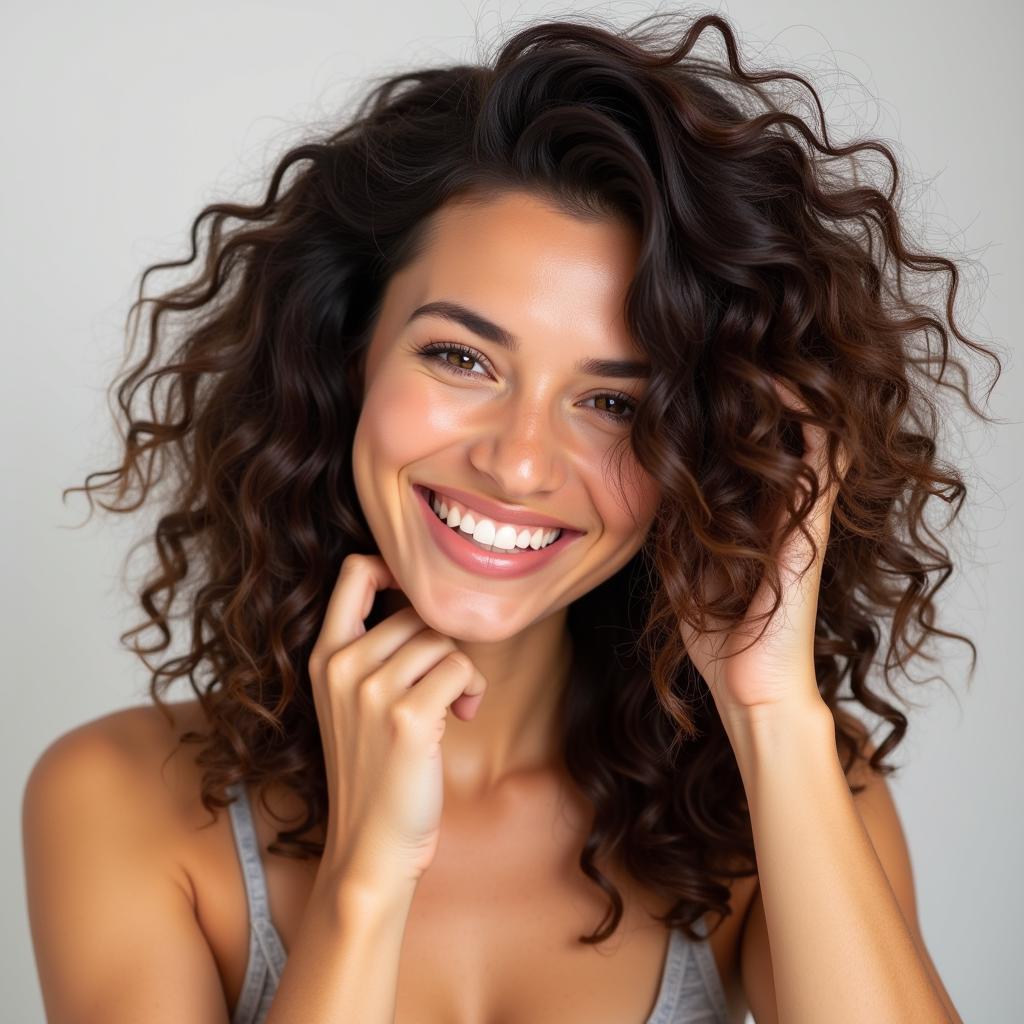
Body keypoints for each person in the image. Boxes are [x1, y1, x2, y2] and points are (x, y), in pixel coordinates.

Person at [21, 11, 991, 1023]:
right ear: (346, 351)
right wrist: (364, 885)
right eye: (462, 358)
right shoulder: (117, 801)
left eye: (615, 403)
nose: (519, 462)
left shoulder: (783, 794)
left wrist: (769, 718)